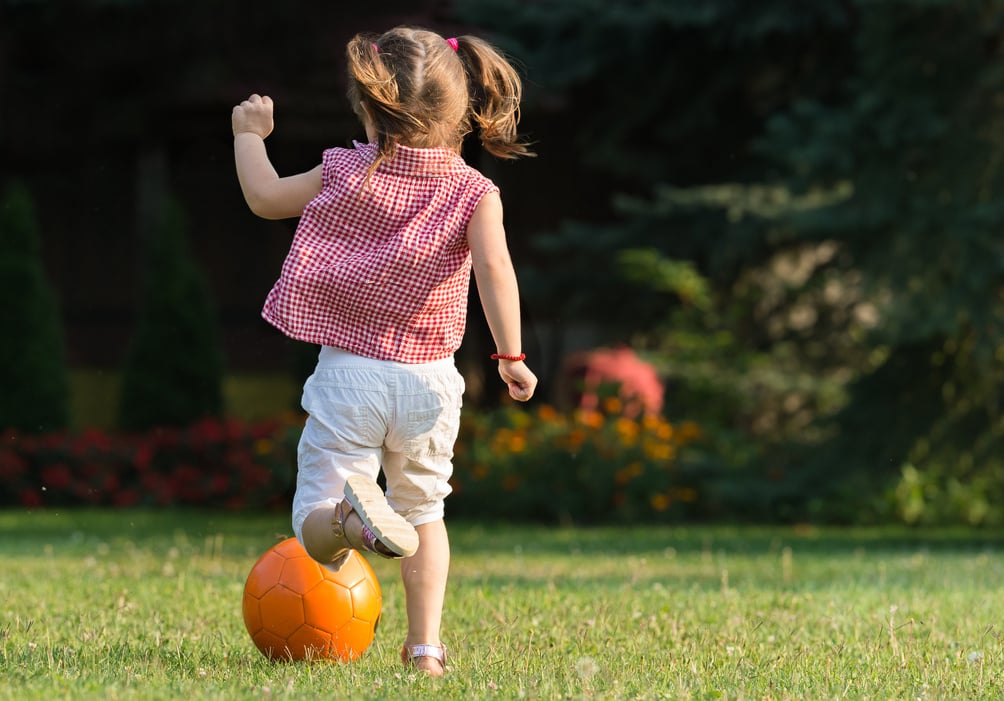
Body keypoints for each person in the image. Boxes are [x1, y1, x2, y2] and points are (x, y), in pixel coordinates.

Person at [231, 26, 537, 676]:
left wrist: (248, 135)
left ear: (371, 108)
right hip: (430, 384)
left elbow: (263, 197)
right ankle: (425, 649)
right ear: (463, 112)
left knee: (314, 511)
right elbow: (496, 268)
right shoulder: (474, 193)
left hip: (352, 376)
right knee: (425, 509)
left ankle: (347, 521)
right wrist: (511, 356)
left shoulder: (344, 170)